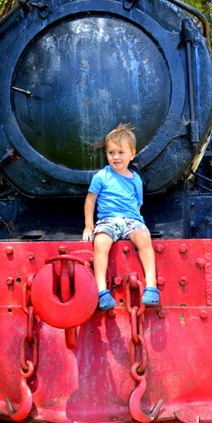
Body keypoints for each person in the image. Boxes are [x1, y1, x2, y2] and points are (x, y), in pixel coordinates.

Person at [82, 123, 160, 310]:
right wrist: (89, 225)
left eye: (120, 152)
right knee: (100, 243)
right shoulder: (101, 176)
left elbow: (138, 203)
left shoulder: (136, 179)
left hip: (131, 220)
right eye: (110, 153)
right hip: (108, 221)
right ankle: (102, 290)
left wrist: (135, 222)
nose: (115, 157)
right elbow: (90, 200)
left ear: (132, 154)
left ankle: (151, 286)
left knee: (143, 237)